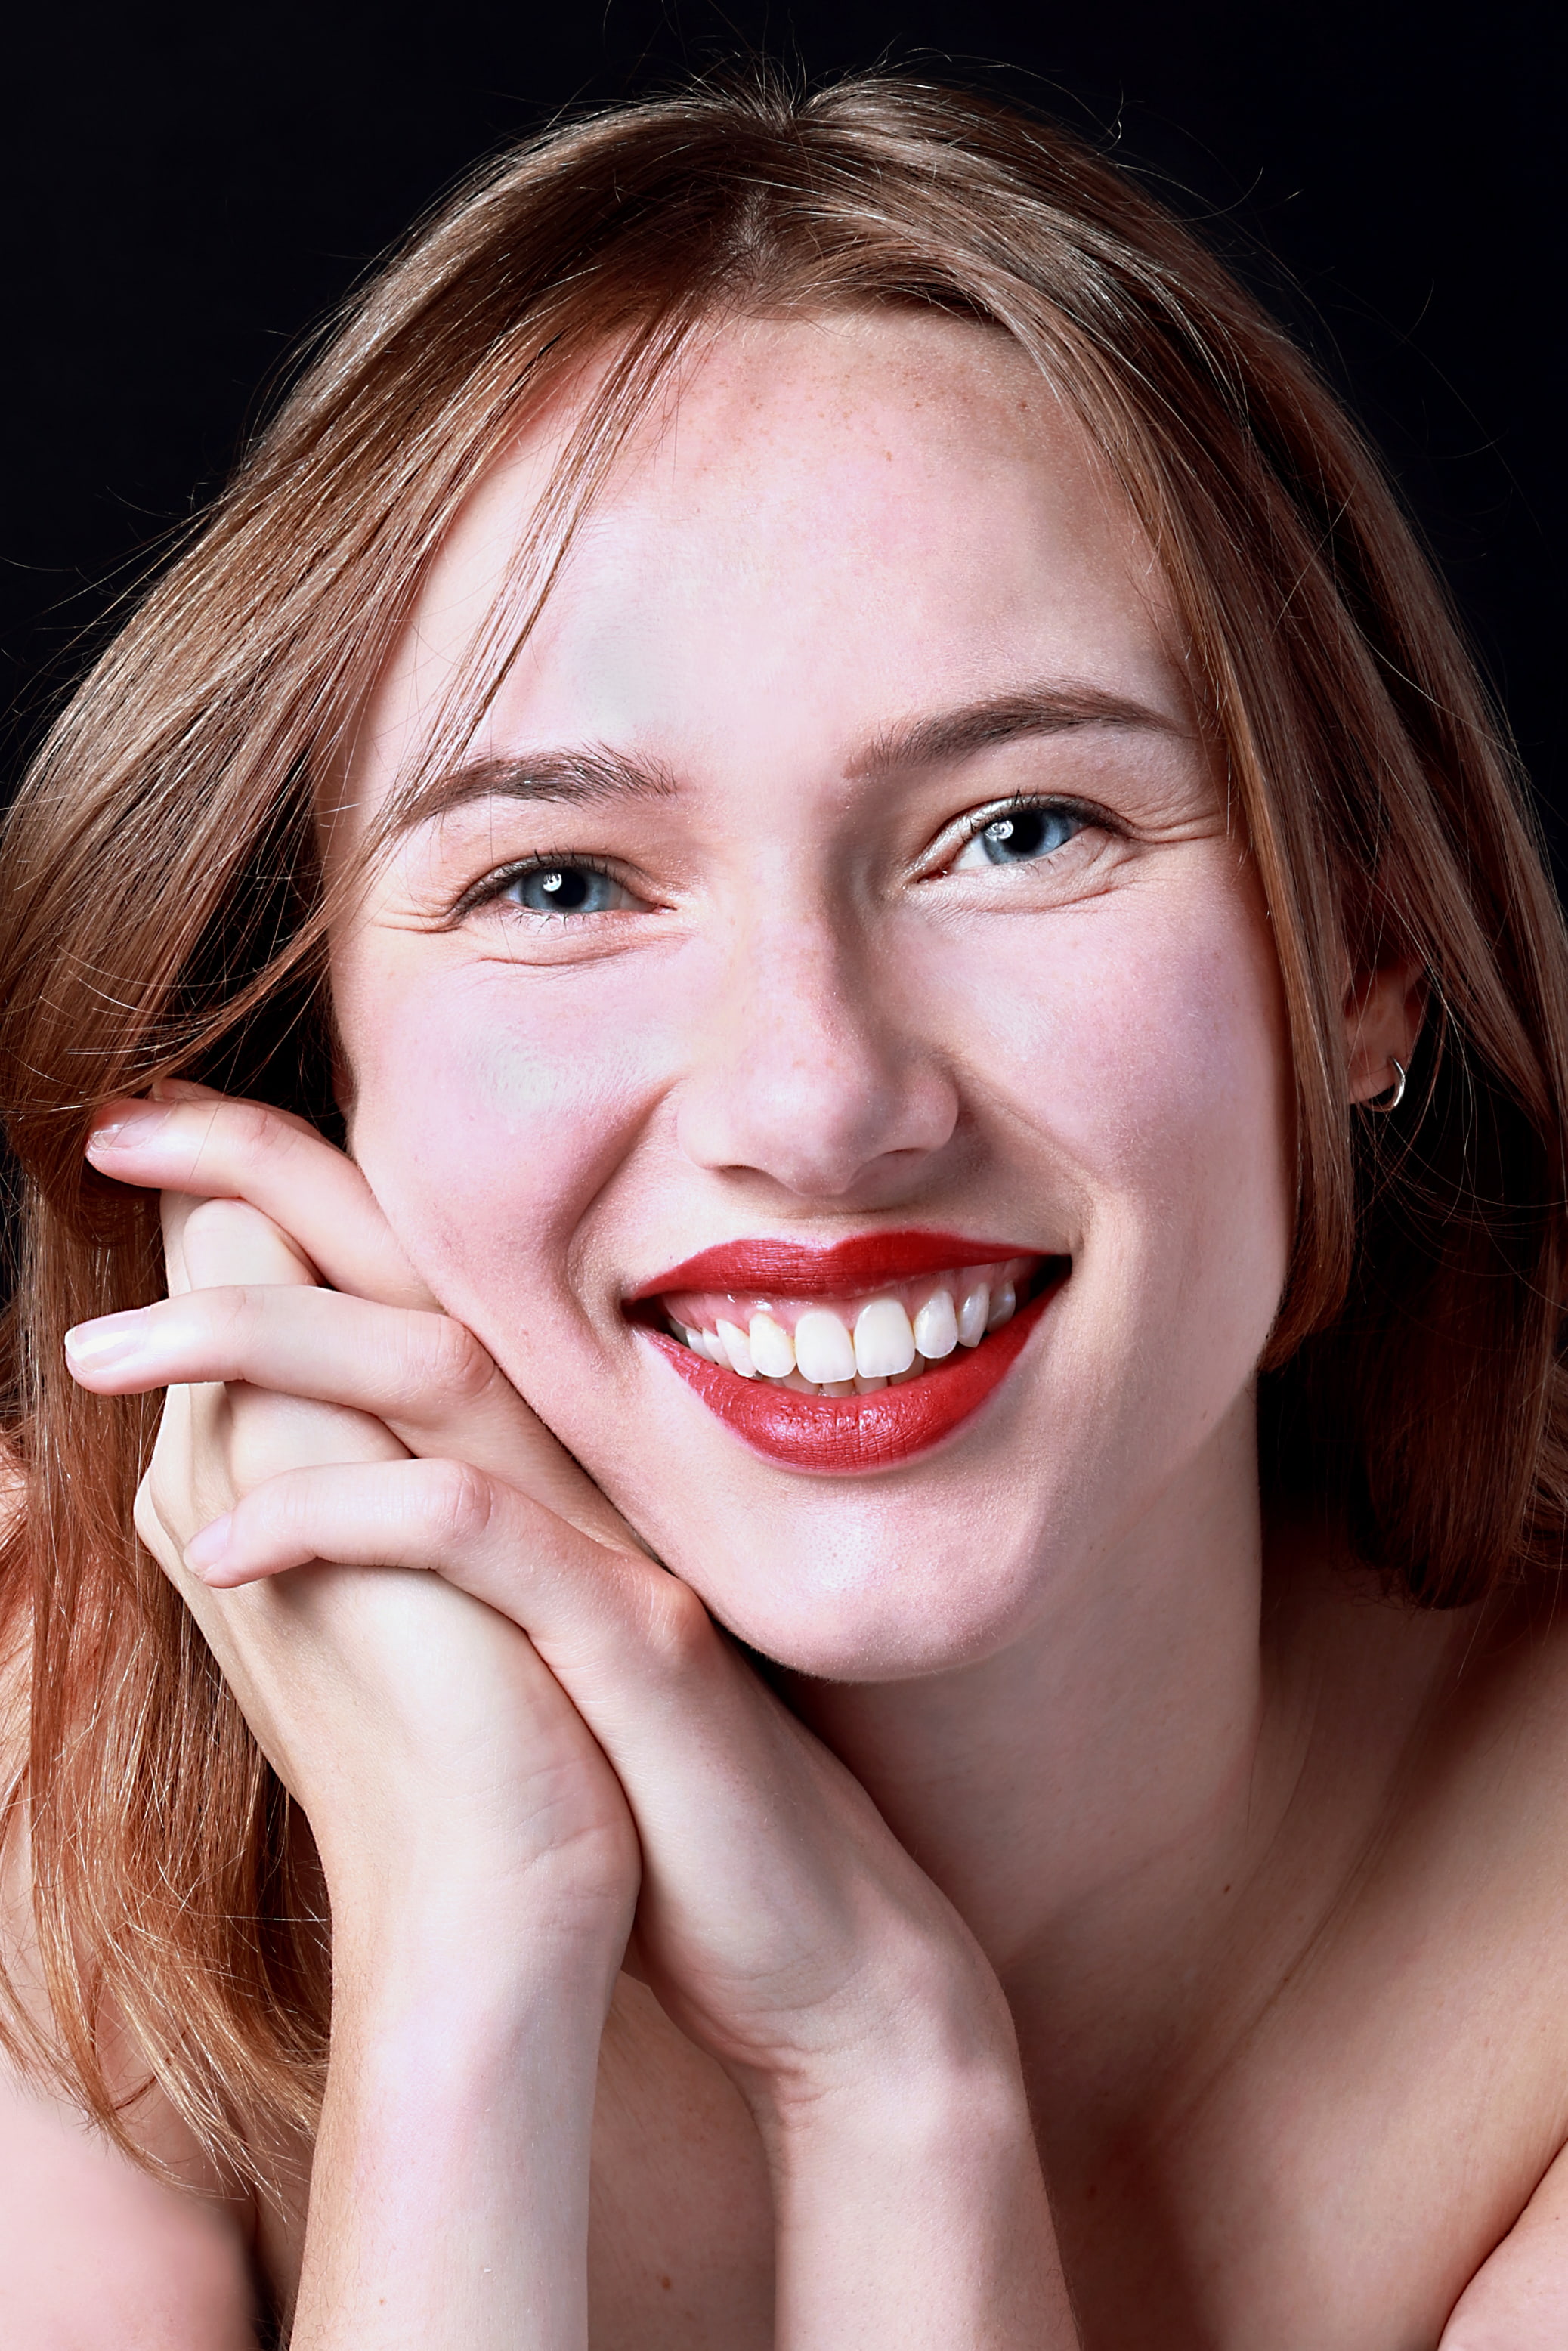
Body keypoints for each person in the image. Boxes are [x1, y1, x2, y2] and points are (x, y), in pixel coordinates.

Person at [0, 63, 1565, 2349]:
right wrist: (467, 1960)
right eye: (558, 878)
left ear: (1361, 957)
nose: (818, 1103)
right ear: (324, 1048)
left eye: (1019, 830)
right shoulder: (32, 1788)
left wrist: (887, 2077)